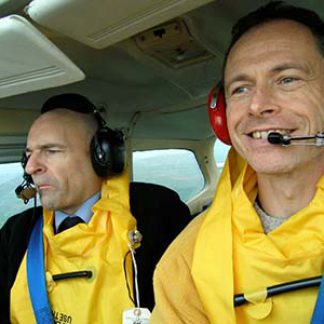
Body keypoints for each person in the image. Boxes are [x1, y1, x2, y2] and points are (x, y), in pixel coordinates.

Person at [151, 1, 324, 323]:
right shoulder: (186, 259)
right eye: (241, 89)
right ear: (222, 117)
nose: (257, 105)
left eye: (287, 79)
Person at [0, 93, 191, 323]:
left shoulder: (158, 214)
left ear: (100, 156)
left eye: (51, 151)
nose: (31, 167)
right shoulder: (17, 233)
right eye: (28, 155)